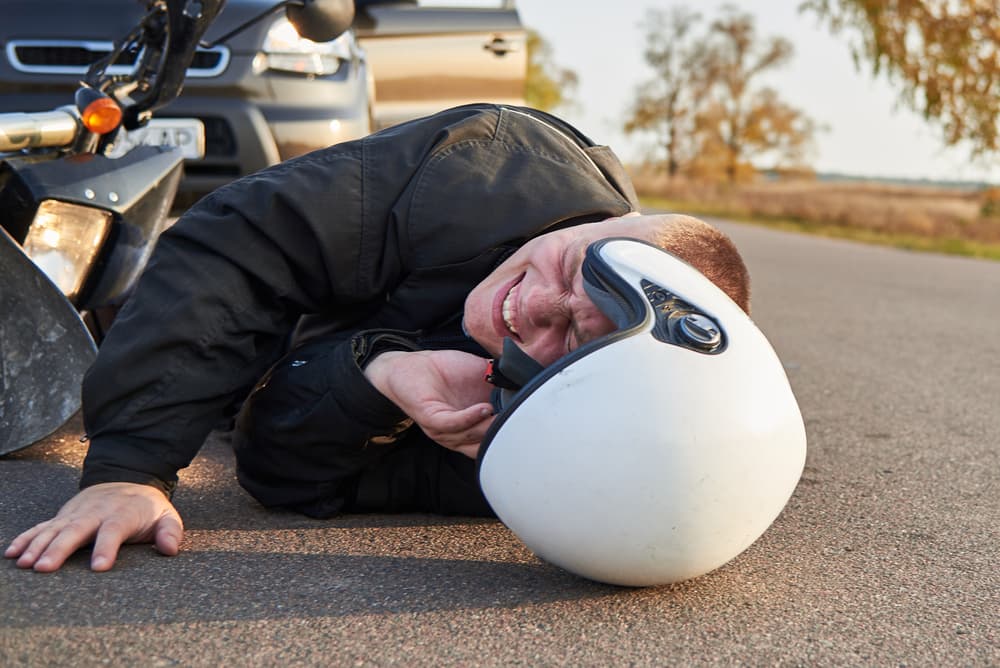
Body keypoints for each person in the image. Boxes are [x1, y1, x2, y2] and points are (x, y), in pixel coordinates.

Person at [4, 104, 750, 573]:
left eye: (569, 332)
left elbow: (276, 472)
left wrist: (378, 384)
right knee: (121, 289)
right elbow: (239, 244)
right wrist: (130, 467)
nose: (531, 308)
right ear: (600, 224)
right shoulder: (488, 168)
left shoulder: (548, 436)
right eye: (568, 268)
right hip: (244, 292)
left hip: (298, 365)